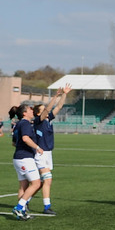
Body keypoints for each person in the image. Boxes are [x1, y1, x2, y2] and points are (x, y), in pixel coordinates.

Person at [32, 84, 71, 215]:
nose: (47, 111)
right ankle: (46, 207)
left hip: (48, 153)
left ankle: (25, 200)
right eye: (43, 110)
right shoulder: (39, 120)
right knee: (48, 179)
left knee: (40, 182)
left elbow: (59, 106)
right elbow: (48, 108)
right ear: (38, 113)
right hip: (40, 153)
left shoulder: (48, 120)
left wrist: (64, 94)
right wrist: (55, 96)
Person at [10, 104, 43, 220]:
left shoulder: (18, 124)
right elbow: (25, 138)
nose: (32, 110)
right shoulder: (25, 123)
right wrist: (37, 147)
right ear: (24, 113)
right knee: (36, 183)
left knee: (23, 186)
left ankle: (22, 212)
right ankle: (19, 207)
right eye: (30, 109)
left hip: (18, 157)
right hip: (25, 158)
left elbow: (14, 142)